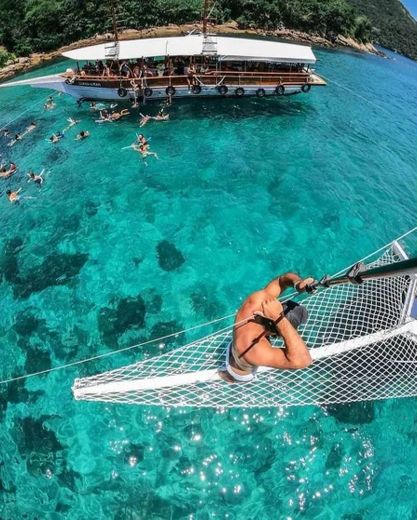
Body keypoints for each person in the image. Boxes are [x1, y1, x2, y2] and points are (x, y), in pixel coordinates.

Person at [220, 273, 314, 383]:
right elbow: (304, 361)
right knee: (237, 374)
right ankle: (229, 376)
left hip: (240, 340)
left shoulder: (256, 301)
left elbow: (281, 280)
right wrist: (278, 318)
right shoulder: (254, 350)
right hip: (239, 366)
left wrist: (297, 284)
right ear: (277, 332)